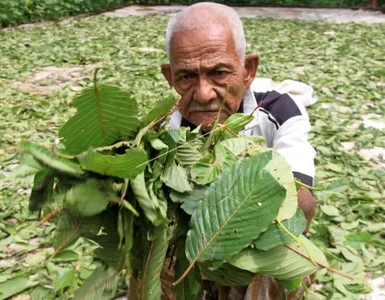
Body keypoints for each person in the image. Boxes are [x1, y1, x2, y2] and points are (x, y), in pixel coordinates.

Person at [130, 2, 317, 299]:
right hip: (188, 252)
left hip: (254, 248)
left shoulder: (279, 111)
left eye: (219, 73)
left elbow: (303, 205)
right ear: (170, 77)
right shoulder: (161, 131)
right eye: (187, 76)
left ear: (248, 70)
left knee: (285, 260)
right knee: (144, 251)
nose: (204, 94)